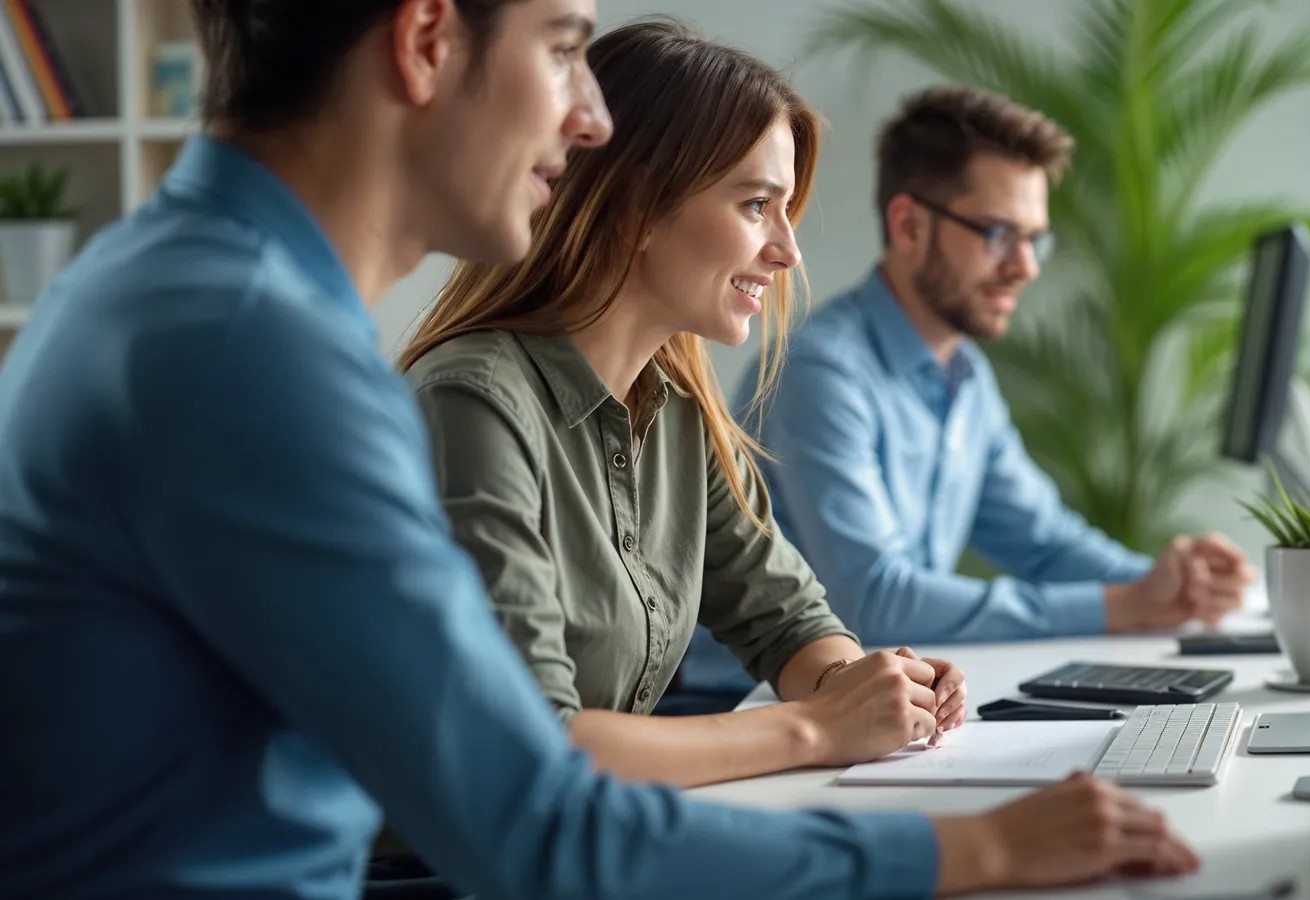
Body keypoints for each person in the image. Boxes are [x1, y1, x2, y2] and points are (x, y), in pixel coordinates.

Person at [0, 2, 1198, 897]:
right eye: (566, 46)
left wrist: (849, 698)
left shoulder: (189, 294)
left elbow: (758, 626)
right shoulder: (253, 351)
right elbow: (536, 819)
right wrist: (978, 843)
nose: (590, 120)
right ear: (427, 42)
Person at [397, 19, 969, 790]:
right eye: (755, 205)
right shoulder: (473, 406)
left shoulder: (677, 411)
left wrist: (867, 688)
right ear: (635, 209)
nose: (788, 251)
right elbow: (535, 742)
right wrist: (818, 726)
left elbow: (787, 620)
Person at [681, 84, 1255, 694]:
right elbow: (873, 601)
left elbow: (1043, 540)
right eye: (999, 234)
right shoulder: (821, 370)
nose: (1026, 266)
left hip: (871, 697)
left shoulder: (966, 376)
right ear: (908, 226)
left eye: (1035, 239)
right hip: (745, 702)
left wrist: (1173, 584)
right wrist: (1120, 605)